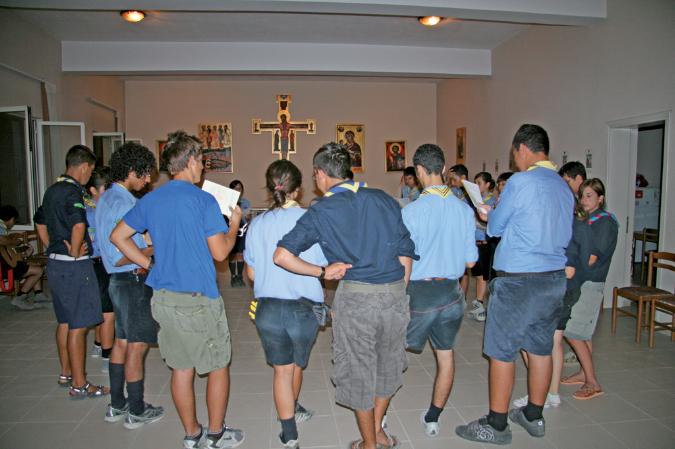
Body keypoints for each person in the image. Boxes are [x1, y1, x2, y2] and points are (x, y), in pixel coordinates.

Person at [274, 142, 416, 449]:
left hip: (356, 299)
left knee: (358, 372)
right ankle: (377, 431)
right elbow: (406, 248)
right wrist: (399, 289)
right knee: (389, 366)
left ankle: (369, 444)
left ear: (320, 174)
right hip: (394, 294)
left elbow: (281, 255)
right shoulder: (384, 199)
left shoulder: (322, 209)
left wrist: (322, 272)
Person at [110, 130, 245, 449]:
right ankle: (216, 435)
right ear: (192, 160)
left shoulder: (151, 199)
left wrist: (148, 264)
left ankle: (192, 434)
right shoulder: (203, 200)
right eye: (202, 161)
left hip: (164, 298)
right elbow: (221, 253)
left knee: (181, 368)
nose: (204, 168)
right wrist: (234, 224)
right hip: (198, 297)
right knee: (217, 366)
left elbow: (118, 237)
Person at [455, 125, 573, 444]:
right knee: (540, 348)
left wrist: (488, 214)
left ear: (522, 149)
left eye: (514, 154)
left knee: (502, 352)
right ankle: (534, 416)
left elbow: (494, 227)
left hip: (519, 281)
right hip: (553, 279)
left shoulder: (521, 182)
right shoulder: (563, 186)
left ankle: (496, 425)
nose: (515, 160)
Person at [244, 160, 326, 449]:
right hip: (302, 309)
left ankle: (289, 434)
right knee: (296, 366)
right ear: (299, 188)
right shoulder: (312, 219)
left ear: (270, 188)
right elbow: (323, 264)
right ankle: (294, 406)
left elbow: (252, 274)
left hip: (267, 309)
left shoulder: (257, 223)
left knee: (281, 370)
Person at [401, 144, 477, 437]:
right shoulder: (464, 209)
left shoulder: (412, 211)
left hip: (420, 294)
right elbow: (470, 262)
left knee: (393, 352)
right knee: (445, 356)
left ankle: (380, 418)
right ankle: (433, 418)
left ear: (419, 171)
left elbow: (404, 262)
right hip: (452, 293)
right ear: (444, 169)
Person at [96, 143, 164, 429]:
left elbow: (132, 242)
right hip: (133, 280)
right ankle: (136, 409)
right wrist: (153, 257)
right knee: (137, 346)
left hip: (117, 281)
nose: (147, 180)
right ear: (132, 171)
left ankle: (117, 404)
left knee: (121, 343)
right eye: (145, 174)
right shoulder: (124, 204)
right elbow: (122, 252)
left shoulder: (107, 197)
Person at [34, 145, 109, 398]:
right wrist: (76, 251)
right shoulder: (73, 190)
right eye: (90, 170)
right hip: (73, 266)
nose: (89, 175)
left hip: (55, 263)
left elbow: (39, 221)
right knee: (79, 325)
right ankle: (80, 384)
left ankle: (66, 372)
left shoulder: (52, 190)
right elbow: (79, 225)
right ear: (85, 166)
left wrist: (51, 245)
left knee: (65, 321)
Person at [513, 194, 589, 409]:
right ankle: (551, 393)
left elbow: (569, 270)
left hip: (559, 290)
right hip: (565, 290)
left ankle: (541, 392)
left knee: (531, 342)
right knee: (554, 342)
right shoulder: (575, 223)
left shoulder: (569, 227)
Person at [561, 179, 618, 400]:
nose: (584, 200)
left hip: (591, 282)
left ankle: (592, 382)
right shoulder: (586, 220)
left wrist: (569, 262)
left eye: (590, 196)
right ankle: (585, 372)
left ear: (600, 198)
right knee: (584, 332)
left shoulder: (605, 222)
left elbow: (591, 257)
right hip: (582, 281)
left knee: (572, 331)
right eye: (582, 196)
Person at [84, 168, 115, 373]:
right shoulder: (92, 212)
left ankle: (97, 344)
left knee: (101, 307)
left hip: (97, 263)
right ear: (93, 190)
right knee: (108, 313)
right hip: (97, 263)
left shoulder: (93, 208)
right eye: (106, 189)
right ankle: (107, 355)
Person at [557, 161, 587, 365]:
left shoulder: (578, 216)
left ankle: (585, 368)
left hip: (575, 278)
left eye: (567, 182)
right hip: (570, 278)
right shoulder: (572, 211)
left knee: (576, 329)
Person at [0, 205, 49, 310]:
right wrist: (14, 242)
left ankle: (39, 296)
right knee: (38, 271)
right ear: (12, 219)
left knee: (34, 265)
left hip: (6, 265)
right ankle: (19, 298)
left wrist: (24, 254)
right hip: (3, 268)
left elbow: (7, 255)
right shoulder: (0, 226)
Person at [466, 172, 497, 322]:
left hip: (486, 242)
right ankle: (478, 303)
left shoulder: (491, 202)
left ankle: (481, 305)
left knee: (483, 276)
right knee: (478, 275)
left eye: (479, 183)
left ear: (488, 184)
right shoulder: (477, 201)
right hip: (476, 241)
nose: (477, 186)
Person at [445, 164, 471, 295]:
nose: (453, 183)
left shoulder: (471, 193)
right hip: (453, 233)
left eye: (454, 180)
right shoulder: (455, 191)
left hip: (464, 234)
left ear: (463, 177)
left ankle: (463, 297)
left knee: (464, 269)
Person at [228, 180, 251, 288]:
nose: (237, 190)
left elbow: (247, 218)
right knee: (232, 254)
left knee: (240, 254)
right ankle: (233, 276)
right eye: (235, 188)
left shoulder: (245, 202)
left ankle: (240, 276)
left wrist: (248, 217)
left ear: (242, 190)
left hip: (242, 229)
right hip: (231, 229)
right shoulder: (228, 202)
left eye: (239, 188)